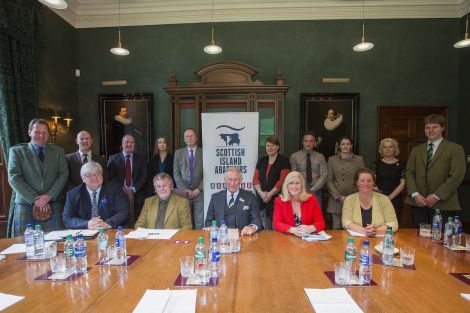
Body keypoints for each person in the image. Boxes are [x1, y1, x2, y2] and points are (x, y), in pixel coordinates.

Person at [7, 118, 69, 236]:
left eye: (44, 132)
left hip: (53, 203)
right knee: (23, 246)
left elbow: (63, 175)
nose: (41, 135)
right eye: (37, 132)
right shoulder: (17, 151)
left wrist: (48, 196)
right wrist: (36, 199)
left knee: (56, 243)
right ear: (30, 132)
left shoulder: (58, 151)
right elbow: (14, 178)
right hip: (26, 204)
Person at [405, 114, 466, 227]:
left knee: (441, 240)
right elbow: (409, 173)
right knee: (419, 238)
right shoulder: (416, 150)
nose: (430, 130)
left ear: (442, 128)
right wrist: (415, 194)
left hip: (443, 203)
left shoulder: (455, 149)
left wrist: (436, 196)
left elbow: (457, 175)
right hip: (419, 203)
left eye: (435, 127)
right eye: (427, 127)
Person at [63, 161, 128, 229]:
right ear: (83, 179)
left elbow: (123, 211)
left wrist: (106, 224)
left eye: (98, 174)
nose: (94, 178)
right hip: (85, 233)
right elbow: (67, 219)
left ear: (102, 175)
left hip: (109, 229)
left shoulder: (114, 189)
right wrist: (87, 224)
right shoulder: (73, 194)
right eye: (89, 175)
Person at [205, 167, 262, 235]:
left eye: (236, 180)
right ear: (225, 180)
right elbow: (208, 221)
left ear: (241, 180)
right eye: (230, 179)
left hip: (242, 237)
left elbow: (257, 220)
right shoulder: (215, 197)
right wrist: (210, 228)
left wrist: (252, 227)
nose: (232, 183)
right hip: (220, 237)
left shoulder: (250, 197)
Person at [342, 168, 399, 236]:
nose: (366, 183)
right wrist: (365, 231)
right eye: (362, 181)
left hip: (380, 241)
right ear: (357, 183)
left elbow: (393, 223)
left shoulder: (384, 199)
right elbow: (346, 222)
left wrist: (376, 231)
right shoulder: (349, 200)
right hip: (355, 241)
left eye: (369, 181)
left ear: (373, 183)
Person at [326, 136, 365, 229]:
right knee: (336, 227)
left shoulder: (359, 160)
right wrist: (340, 197)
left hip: (354, 198)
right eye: (343, 144)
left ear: (351, 146)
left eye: (348, 144)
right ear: (339, 146)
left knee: (352, 227)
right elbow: (329, 181)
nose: (345, 146)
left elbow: (362, 178)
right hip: (336, 199)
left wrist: (352, 196)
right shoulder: (332, 160)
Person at [253, 136, 290, 230]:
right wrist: (261, 193)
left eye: (272, 145)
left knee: (277, 228)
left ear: (278, 147)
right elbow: (255, 179)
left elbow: (282, 181)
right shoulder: (261, 160)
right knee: (265, 228)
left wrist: (270, 194)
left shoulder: (284, 160)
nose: (270, 148)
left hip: (278, 199)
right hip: (262, 199)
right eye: (268, 145)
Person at [107, 135, 148, 220]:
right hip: (119, 194)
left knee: (138, 221)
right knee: (123, 219)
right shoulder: (113, 158)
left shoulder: (141, 158)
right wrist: (122, 189)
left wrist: (134, 189)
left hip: (137, 195)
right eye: (126, 142)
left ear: (134, 144)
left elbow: (144, 176)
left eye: (132, 142)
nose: (129, 144)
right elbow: (110, 177)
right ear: (122, 144)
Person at [273, 171, 325, 236]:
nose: (294, 186)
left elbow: (321, 223)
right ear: (286, 185)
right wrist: (292, 230)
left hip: (308, 241)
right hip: (287, 240)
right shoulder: (279, 201)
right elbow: (277, 223)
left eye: (297, 183)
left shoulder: (312, 199)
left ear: (302, 185)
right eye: (291, 183)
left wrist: (311, 228)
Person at [173, 128, 204, 229]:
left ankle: (200, 241)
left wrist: (199, 189)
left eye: (191, 136)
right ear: (184, 139)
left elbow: (208, 173)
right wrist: (184, 190)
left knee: (200, 220)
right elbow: (176, 173)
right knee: (185, 220)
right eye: (187, 136)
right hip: (184, 192)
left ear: (196, 138)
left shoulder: (203, 152)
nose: (189, 138)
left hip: (199, 192)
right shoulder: (178, 153)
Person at [370, 138, 406, 223]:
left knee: (394, 223)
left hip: (395, 198)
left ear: (395, 149)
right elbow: (372, 181)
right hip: (378, 197)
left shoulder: (402, 164)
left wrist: (390, 197)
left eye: (390, 147)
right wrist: (382, 195)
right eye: (385, 147)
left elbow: (402, 184)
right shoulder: (376, 164)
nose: (388, 149)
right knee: (378, 222)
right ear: (381, 149)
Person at [289, 131, 327, 208]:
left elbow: (324, 175)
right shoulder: (294, 156)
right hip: (299, 191)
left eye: (311, 141)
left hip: (316, 191)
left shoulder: (320, 157)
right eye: (306, 141)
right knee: (300, 215)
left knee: (316, 216)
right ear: (302, 142)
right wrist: (302, 189)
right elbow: (293, 175)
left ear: (315, 142)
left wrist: (313, 190)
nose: (308, 143)